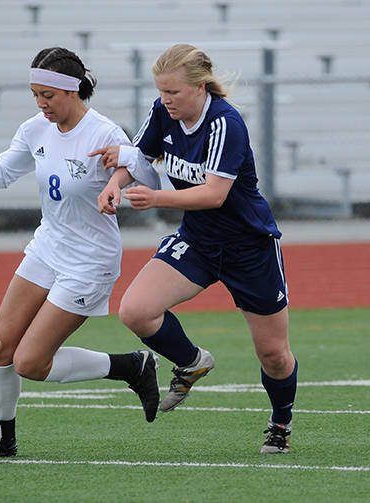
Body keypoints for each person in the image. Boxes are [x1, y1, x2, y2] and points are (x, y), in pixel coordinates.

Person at [0, 47, 162, 457]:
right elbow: (0, 174)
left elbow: (146, 171)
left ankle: (131, 366)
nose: (41, 104)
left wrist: (118, 178)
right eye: (35, 94)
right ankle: (5, 442)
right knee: (1, 348)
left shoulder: (103, 132)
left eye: (48, 96)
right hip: (47, 248)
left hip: (89, 262)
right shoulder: (35, 128)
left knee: (31, 363)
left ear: (72, 92)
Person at [93, 44, 298, 454]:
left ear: (200, 87)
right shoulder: (162, 112)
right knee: (135, 310)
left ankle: (280, 424)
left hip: (248, 246)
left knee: (273, 354)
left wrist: (156, 199)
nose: (166, 100)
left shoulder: (226, 123)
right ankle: (191, 362)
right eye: (161, 91)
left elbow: (215, 194)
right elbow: (139, 156)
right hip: (198, 240)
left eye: (174, 92)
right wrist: (115, 184)